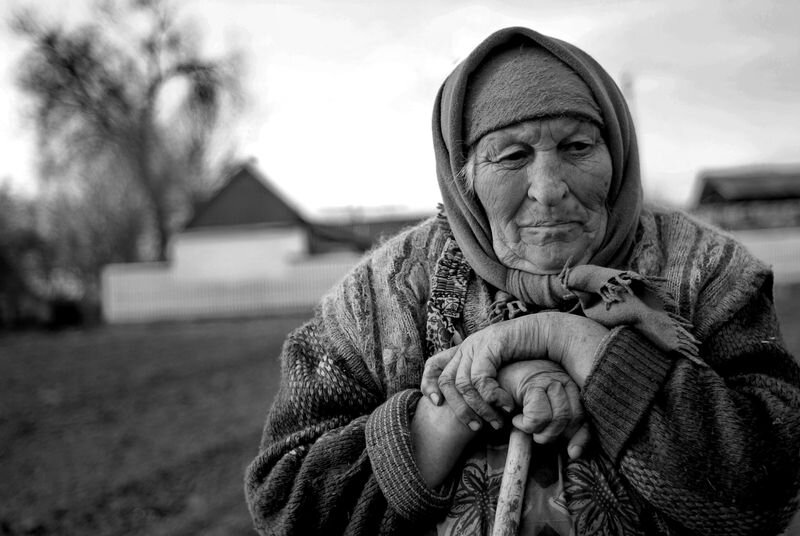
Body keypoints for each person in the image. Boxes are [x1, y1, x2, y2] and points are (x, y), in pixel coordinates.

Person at [244, 26, 800, 535]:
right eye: (511, 156)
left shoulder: (708, 273)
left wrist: (571, 341)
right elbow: (288, 506)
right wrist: (467, 398)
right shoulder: (380, 297)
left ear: (618, 153)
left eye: (578, 147)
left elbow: (772, 480)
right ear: (464, 178)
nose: (549, 187)